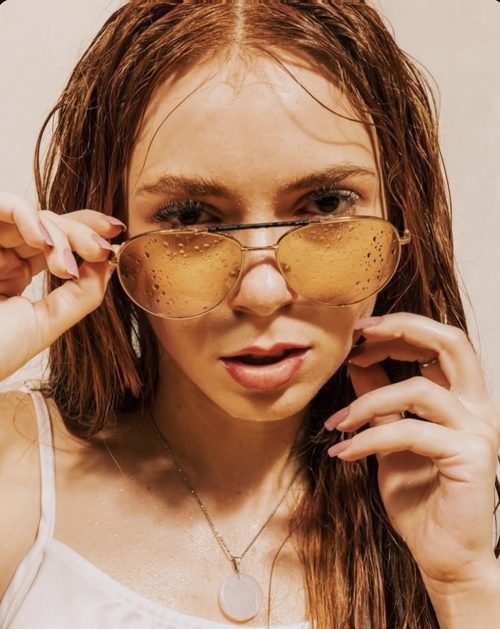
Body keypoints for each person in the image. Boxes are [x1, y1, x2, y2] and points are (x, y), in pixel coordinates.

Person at [0, 1, 499, 627]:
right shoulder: (13, 471)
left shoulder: (453, 513)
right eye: (188, 217)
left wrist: (464, 584)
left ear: (402, 214)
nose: (262, 293)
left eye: (325, 205)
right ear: (107, 233)